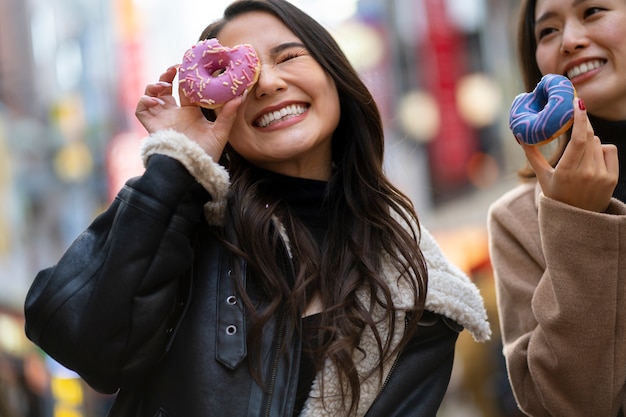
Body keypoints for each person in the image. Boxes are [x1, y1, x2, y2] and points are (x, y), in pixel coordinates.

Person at [23, 1, 490, 416]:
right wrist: (177, 164)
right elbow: (81, 341)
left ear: (334, 75)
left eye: (287, 56)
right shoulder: (187, 228)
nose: (266, 83)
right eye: (241, 80)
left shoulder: (421, 293)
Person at [488, 0, 626, 415]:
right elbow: (563, 405)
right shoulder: (516, 221)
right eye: (547, 31)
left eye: (593, 11)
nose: (569, 40)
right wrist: (577, 223)